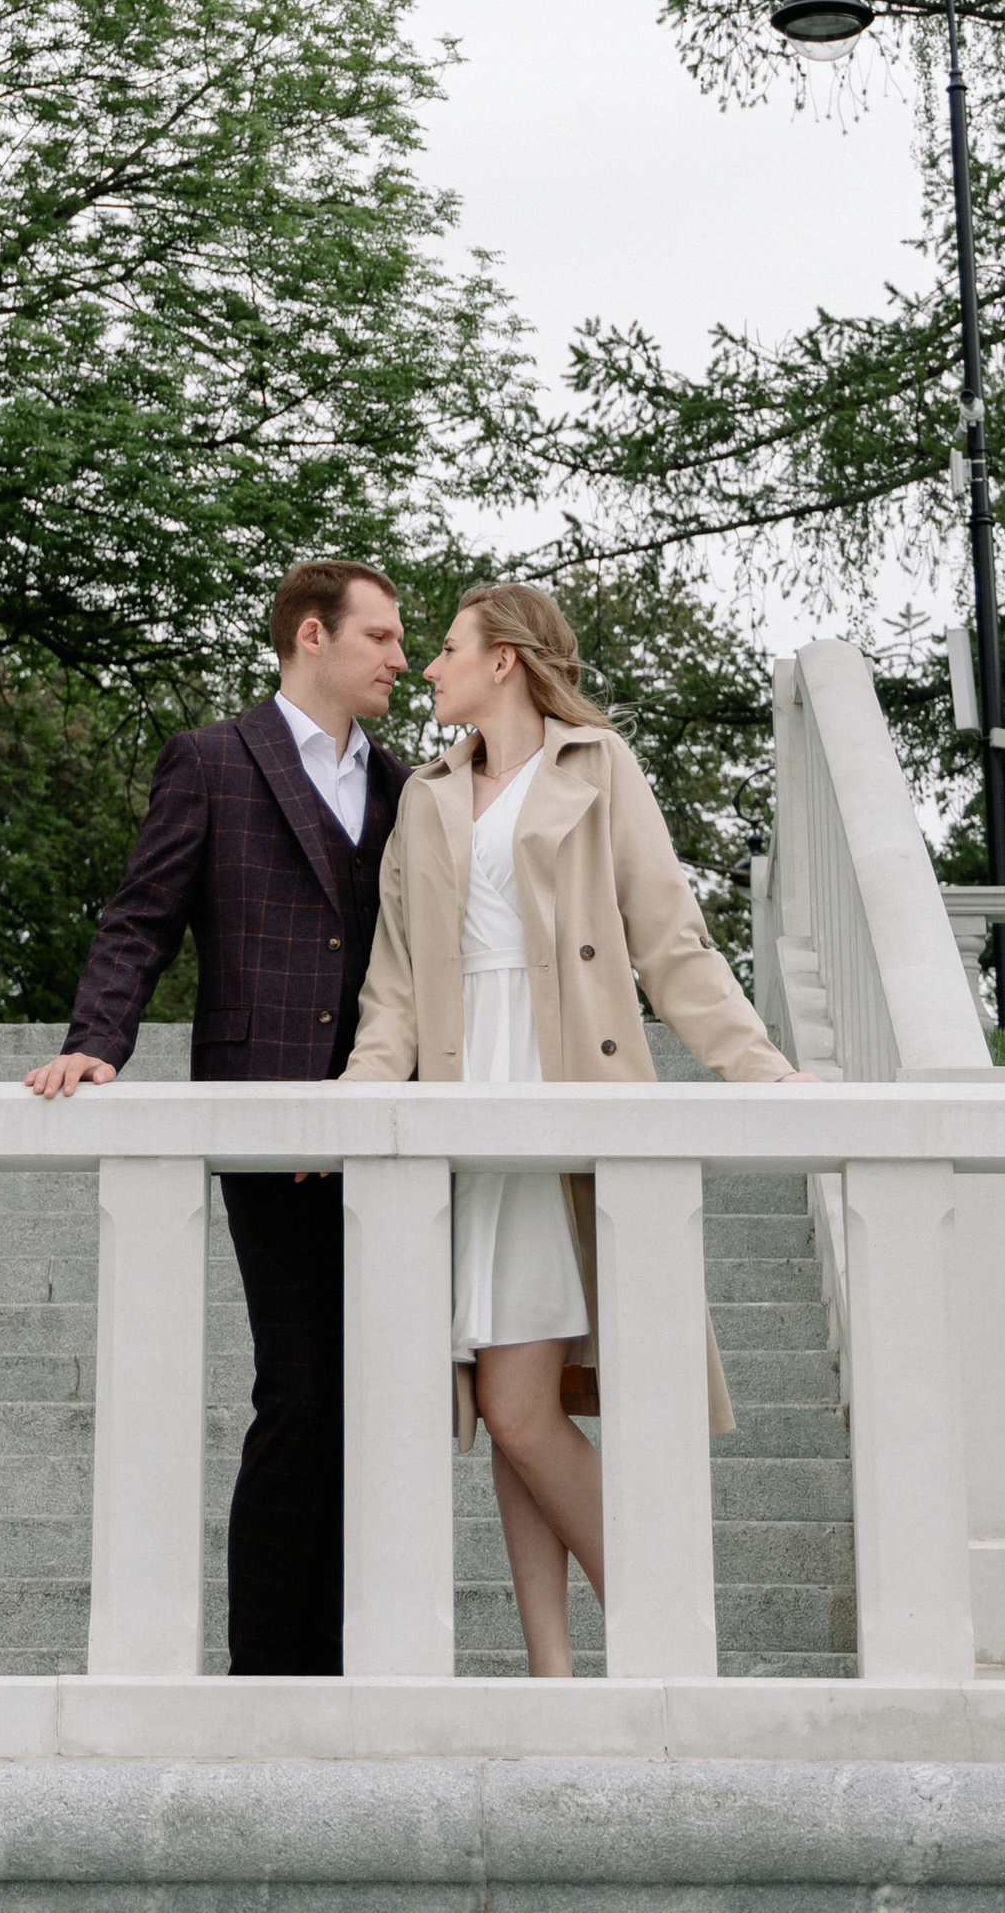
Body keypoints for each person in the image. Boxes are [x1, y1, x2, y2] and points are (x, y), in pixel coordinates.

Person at [342, 580, 804, 1677]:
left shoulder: (598, 770)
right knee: (518, 1399)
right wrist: (358, 1097)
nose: (429, 668)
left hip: (566, 1094)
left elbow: (669, 940)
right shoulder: (426, 796)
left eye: (448, 649)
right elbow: (394, 986)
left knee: (514, 1402)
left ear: (504, 660)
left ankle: (662, 1626)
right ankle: (552, 1670)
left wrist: (762, 1070)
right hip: (467, 1101)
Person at [25, 559, 409, 1674]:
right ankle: (267, 1671)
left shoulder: (401, 785)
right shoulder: (211, 761)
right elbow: (141, 916)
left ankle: (342, 1659)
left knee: (364, 1396)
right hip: (263, 1114)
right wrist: (98, 1041)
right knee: (297, 1385)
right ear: (308, 637)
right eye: (380, 636)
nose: (397, 657)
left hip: (388, 1125)